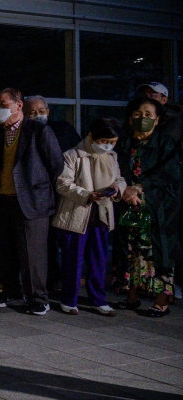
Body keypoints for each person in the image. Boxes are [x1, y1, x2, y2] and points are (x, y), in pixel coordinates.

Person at [0, 88, 63, 315]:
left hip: (32, 201)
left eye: (2, 104)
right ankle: (10, 291)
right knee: (5, 249)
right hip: (3, 199)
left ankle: (38, 298)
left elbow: (56, 165)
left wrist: (43, 192)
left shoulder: (38, 130)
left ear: (18, 105)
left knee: (33, 253)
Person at [114, 95, 180, 317]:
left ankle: (161, 301)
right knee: (131, 251)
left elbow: (170, 175)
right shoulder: (122, 143)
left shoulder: (165, 143)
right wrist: (125, 191)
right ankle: (131, 296)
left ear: (158, 119)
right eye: (137, 114)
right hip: (127, 204)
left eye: (148, 115)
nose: (143, 118)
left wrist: (140, 188)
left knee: (159, 254)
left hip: (158, 208)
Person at [51, 117, 125, 316]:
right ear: (91, 136)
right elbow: (63, 183)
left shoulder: (112, 157)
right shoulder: (72, 155)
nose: (108, 146)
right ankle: (69, 299)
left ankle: (98, 300)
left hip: (101, 214)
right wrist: (87, 195)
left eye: (112, 142)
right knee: (72, 260)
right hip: (75, 215)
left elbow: (119, 177)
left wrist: (118, 188)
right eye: (104, 141)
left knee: (99, 260)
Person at [24, 95, 83, 292]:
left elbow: (77, 155)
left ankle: (69, 280)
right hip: (37, 194)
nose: (37, 115)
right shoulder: (23, 131)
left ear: (48, 111)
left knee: (65, 238)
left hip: (63, 192)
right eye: (32, 113)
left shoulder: (63, 129)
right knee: (44, 240)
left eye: (41, 111)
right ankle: (50, 279)